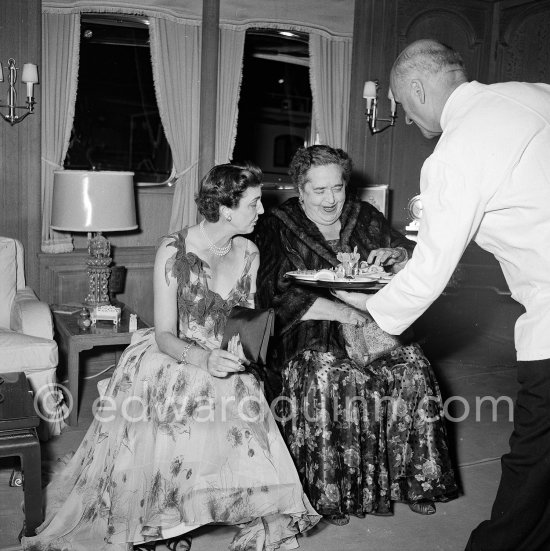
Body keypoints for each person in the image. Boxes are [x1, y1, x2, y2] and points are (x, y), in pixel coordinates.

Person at [22, 162, 320, 551]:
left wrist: (238, 350)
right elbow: (164, 333)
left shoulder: (249, 250)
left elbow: (242, 317)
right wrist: (203, 359)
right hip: (174, 353)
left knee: (242, 390)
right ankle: (160, 515)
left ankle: (245, 509)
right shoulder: (173, 249)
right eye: (254, 203)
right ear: (227, 209)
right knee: (192, 389)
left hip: (220, 353)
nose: (262, 211)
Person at [335, 39, 550, 550]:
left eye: (402, 105)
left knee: (532, 457)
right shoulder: (534, 94)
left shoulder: (456, 148)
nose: (405, 119)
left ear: (416, 87)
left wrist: (371, 312)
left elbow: (432, 270)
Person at [253, 144, 457, 525]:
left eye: (338, 188)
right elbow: (273, 291)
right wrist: (345, 312)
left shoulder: (362, 213)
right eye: (319, 190)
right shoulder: (277, 223)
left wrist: (398, 257)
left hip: (372, 319)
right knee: (333, 377)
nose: (331, 199)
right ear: (300, 188)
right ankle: (336, 492)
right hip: (310, 325)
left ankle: (414, 482)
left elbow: (402, 252)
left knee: (412, 367)